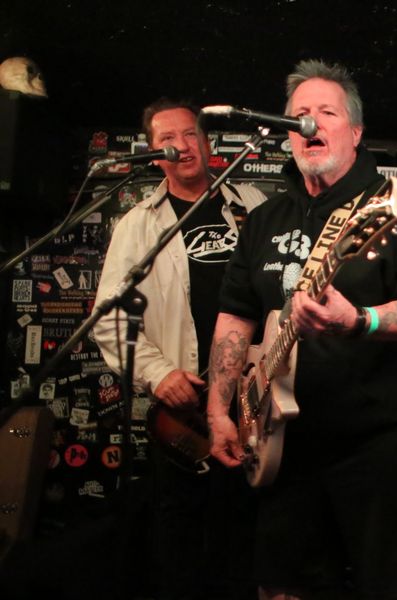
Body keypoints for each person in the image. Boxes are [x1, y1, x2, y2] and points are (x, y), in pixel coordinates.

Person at [206, 59, 397, 600]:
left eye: (326, 112)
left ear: (356, 132)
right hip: (281, 443)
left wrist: (361, 320)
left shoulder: (388, 206)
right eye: (299, 115)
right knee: (280, 586)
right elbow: (235, 317)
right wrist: (220, 410)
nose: (310, 123)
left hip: (376, 443)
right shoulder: (265, 219)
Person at [92, 98, 266, 599]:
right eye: (167, 139)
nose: (182, 146)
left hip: (257, 399)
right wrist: (158, 373)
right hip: (186, 411)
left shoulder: (253, 205)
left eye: (191, 134)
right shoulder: (138, 224)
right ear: (153, 152)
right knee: (182, 540)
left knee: (251, 532)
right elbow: (109, 319)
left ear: (208, 142)